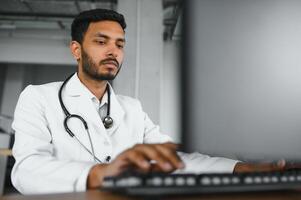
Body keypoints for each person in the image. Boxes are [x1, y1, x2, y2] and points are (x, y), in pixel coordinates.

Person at [11, 9, 287, 195]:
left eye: (120, 44)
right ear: (76, 49)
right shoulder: (39, 97)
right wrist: (99, 175)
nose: (113, 51)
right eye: (101, 41)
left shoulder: (131, 108)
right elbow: (25, 170)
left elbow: (173, 159)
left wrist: (239, 168)